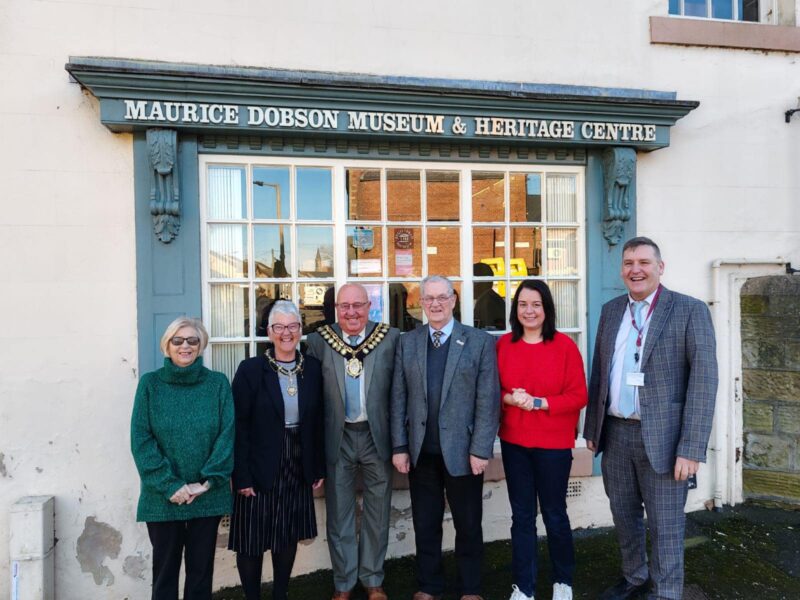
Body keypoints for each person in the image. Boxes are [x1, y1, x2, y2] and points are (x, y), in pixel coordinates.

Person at [583, 237, 718, 600]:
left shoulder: (689, 310)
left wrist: (690, 448)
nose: (635, 269)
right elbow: (600, 371)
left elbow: (704, 382)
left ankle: (667, 590)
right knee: (624, 517)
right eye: (628, 263)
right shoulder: (612, 310)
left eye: (644, 262)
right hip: (615, 433)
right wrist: (592, 428)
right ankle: (635, 578)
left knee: (666, 525)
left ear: (661, 267)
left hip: (665, 439)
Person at [391, 275, 500, 600]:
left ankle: (470, 589)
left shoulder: (479, 341)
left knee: (468, 524)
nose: (435, 304)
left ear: (453, 300)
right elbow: (398, 397)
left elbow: (488, 399)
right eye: (428, 298)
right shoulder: (408, 343)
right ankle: (429, 586)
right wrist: (399, 446)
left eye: (442, 297)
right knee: (426, 524)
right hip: (421, 451)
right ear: (420, 303)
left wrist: (481, 448)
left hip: (464, 451)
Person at [305, 283, 401, 600]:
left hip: (377, 437)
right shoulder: (319, 341)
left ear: (369, 305)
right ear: (336, 309)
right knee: (339, 512)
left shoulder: (389, 339)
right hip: (339, 435)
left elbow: (399, 393)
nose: (351, 312)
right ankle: (343, 583)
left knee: (377, 511)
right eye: (345, 306)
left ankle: (373, 579)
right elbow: (312, 401)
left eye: (358, 305)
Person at [131, 317, 234, 600]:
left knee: (201, 575)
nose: (185, 346)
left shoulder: (217, 384)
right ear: (167, 345)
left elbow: (227, 435)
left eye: (192, 340)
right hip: (162, 497)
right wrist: (170, 485)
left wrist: (208, 482)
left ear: (201, 346)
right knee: (164, 574)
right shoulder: (150, 385)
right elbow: (141, 440)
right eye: (178, 340)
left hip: (207, 495)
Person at [496, 280, 587, 600]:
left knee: (554, 513)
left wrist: (538, 402)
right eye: (523, 304)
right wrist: (509, 399)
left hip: (554, 445)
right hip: (515, 443)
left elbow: (579, 395)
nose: (529, 310)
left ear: (547, 309)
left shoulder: (564, 347)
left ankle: (563, 581)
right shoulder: (504, 345)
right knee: (521, 516)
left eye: (536, 304)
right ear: (515, 309)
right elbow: (493, 391)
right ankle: (524, 587)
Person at [228, 300, 325, 600]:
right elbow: (238, 425)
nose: (287, 333)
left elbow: (318, 420)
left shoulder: (312, 368)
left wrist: (317, 466)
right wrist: (240, 475)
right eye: (279, 327)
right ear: (269, 332)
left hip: (297, 459)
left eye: (293, 326)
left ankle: (280, 594)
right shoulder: (251, 369)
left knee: (286, 533)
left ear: (300, 330)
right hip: (258, 462)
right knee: (251, 538)